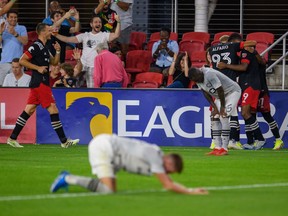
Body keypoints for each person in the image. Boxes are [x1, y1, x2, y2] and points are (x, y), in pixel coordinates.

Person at [50, 133, 208, 195]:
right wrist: (191, 191)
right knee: (108, 191)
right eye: (171, 170)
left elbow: (168, 180)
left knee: (110, 190)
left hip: (112, 152)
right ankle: (67, 178)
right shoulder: (155, 156)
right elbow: (167, 185)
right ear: (168, 161)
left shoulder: (156, 155)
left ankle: (70, 178)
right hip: (105, 148)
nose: (168, 173)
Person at [6, 23, 79, 148]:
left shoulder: (45, 47)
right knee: (53, 109)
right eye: (49, 30)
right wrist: (38, 68)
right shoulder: (36, 46)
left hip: (39, 83)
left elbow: (54, 62)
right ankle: (64, 141)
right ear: (43, 32)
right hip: (40, 83)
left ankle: (12, 138)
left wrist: (58, 51)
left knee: (29, 110)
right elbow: (22, 60)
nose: (51, 32)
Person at [209, 33, 257, 150]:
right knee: (228, 114)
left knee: (220, 114)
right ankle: (230, 141)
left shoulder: (211, 49)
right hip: (230, 85)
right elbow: (253, 43)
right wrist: (241, 46)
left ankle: (216, 142)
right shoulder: (233, 47)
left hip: (217, 84)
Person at [217, 46, 266, 150]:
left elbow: (244, 67)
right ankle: (251, 141)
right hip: (246, 85)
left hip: (250, 85)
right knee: (247, 114)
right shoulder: (242, 55)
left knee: (245, 113)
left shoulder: (245, 51)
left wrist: (226, 65)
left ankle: (260, 139)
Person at [54, 14, 121, 88]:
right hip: (83, 65)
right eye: (96, 22)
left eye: (100, 22)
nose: (98, 24)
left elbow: (116, 35)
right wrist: (56, 35)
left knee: (92, 89)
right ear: (91, 24)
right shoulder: (85, 35)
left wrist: (118, 22)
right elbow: (67, 39)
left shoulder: (104, 35)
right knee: (74, 86)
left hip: (95, 67)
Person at [188, 67, 241, 156]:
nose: (199, 81)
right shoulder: (197, 79)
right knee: (214, 117)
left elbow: (220, 90)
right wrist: (215, 108)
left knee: (223, 115)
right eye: (196, 80)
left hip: (232, 92)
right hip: (219, 97)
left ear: (199, 72)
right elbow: (205, 93)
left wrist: (222, 107)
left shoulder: (209, 74)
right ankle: (217, 147)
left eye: (199, 78)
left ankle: (224, 148)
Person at [0, 9, 28, 86]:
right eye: (11, 17)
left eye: (15, 17)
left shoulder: (22, 28)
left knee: (17, 87)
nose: (13, 19)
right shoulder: (2, 28)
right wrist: (1, 33)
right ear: (7, 18)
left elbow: (25, 42)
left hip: (18, 63)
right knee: (1, 87)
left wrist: (15, 33)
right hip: (4, 63)